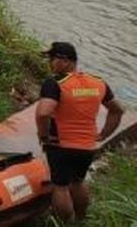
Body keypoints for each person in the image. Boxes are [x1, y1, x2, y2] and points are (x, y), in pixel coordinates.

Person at [35, 41, 126, 223]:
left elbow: (43, 112)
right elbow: (117, 110)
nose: (50, 63)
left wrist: (44, 136)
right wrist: (103, 134)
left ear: (64, 61)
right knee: (78, 181)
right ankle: (81, 219)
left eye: (52, 58)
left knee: (60, 186)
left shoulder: (54, 83)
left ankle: (64, 222)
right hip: (87, 146)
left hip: (60, 144)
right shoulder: (98, 83)